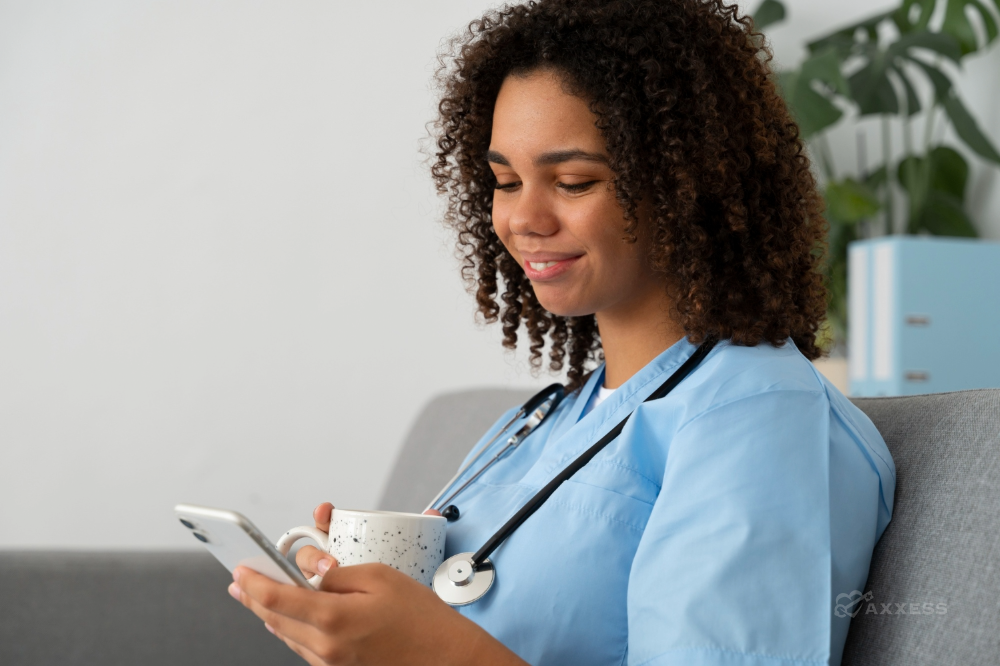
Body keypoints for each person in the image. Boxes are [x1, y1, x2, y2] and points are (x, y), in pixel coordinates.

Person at [227, 1, 895, 664]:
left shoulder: (757, 414)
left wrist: (430, 651)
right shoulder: (547, 418)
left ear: (686, 185)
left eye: (574, 182)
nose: (523, 218)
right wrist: (357, 610)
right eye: (505, 181)